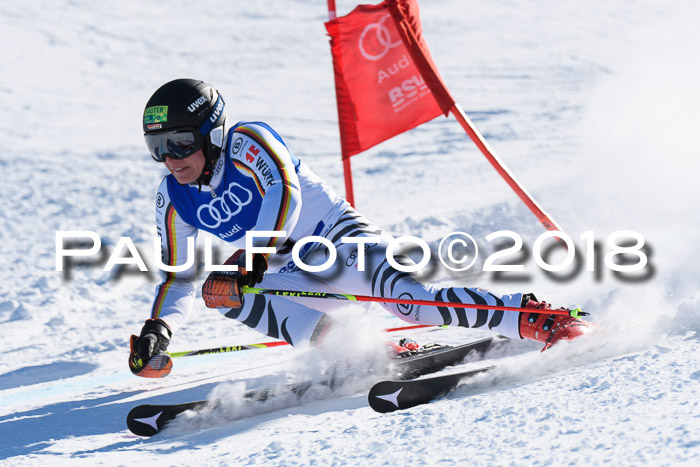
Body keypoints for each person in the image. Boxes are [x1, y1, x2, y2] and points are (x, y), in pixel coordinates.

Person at [129, 79, 593, 378]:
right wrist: (159, 329)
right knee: (219, 289)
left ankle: (544, 319)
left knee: (409, 303)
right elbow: (178, 276)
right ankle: (356, 353)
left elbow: (284, 195)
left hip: (339, 241)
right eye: (158, 148)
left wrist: (252, 256)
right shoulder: (172, 197)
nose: (171, 159)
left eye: (180, 143)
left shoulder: (250, 142)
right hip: (288, 268)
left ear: (211, 133)